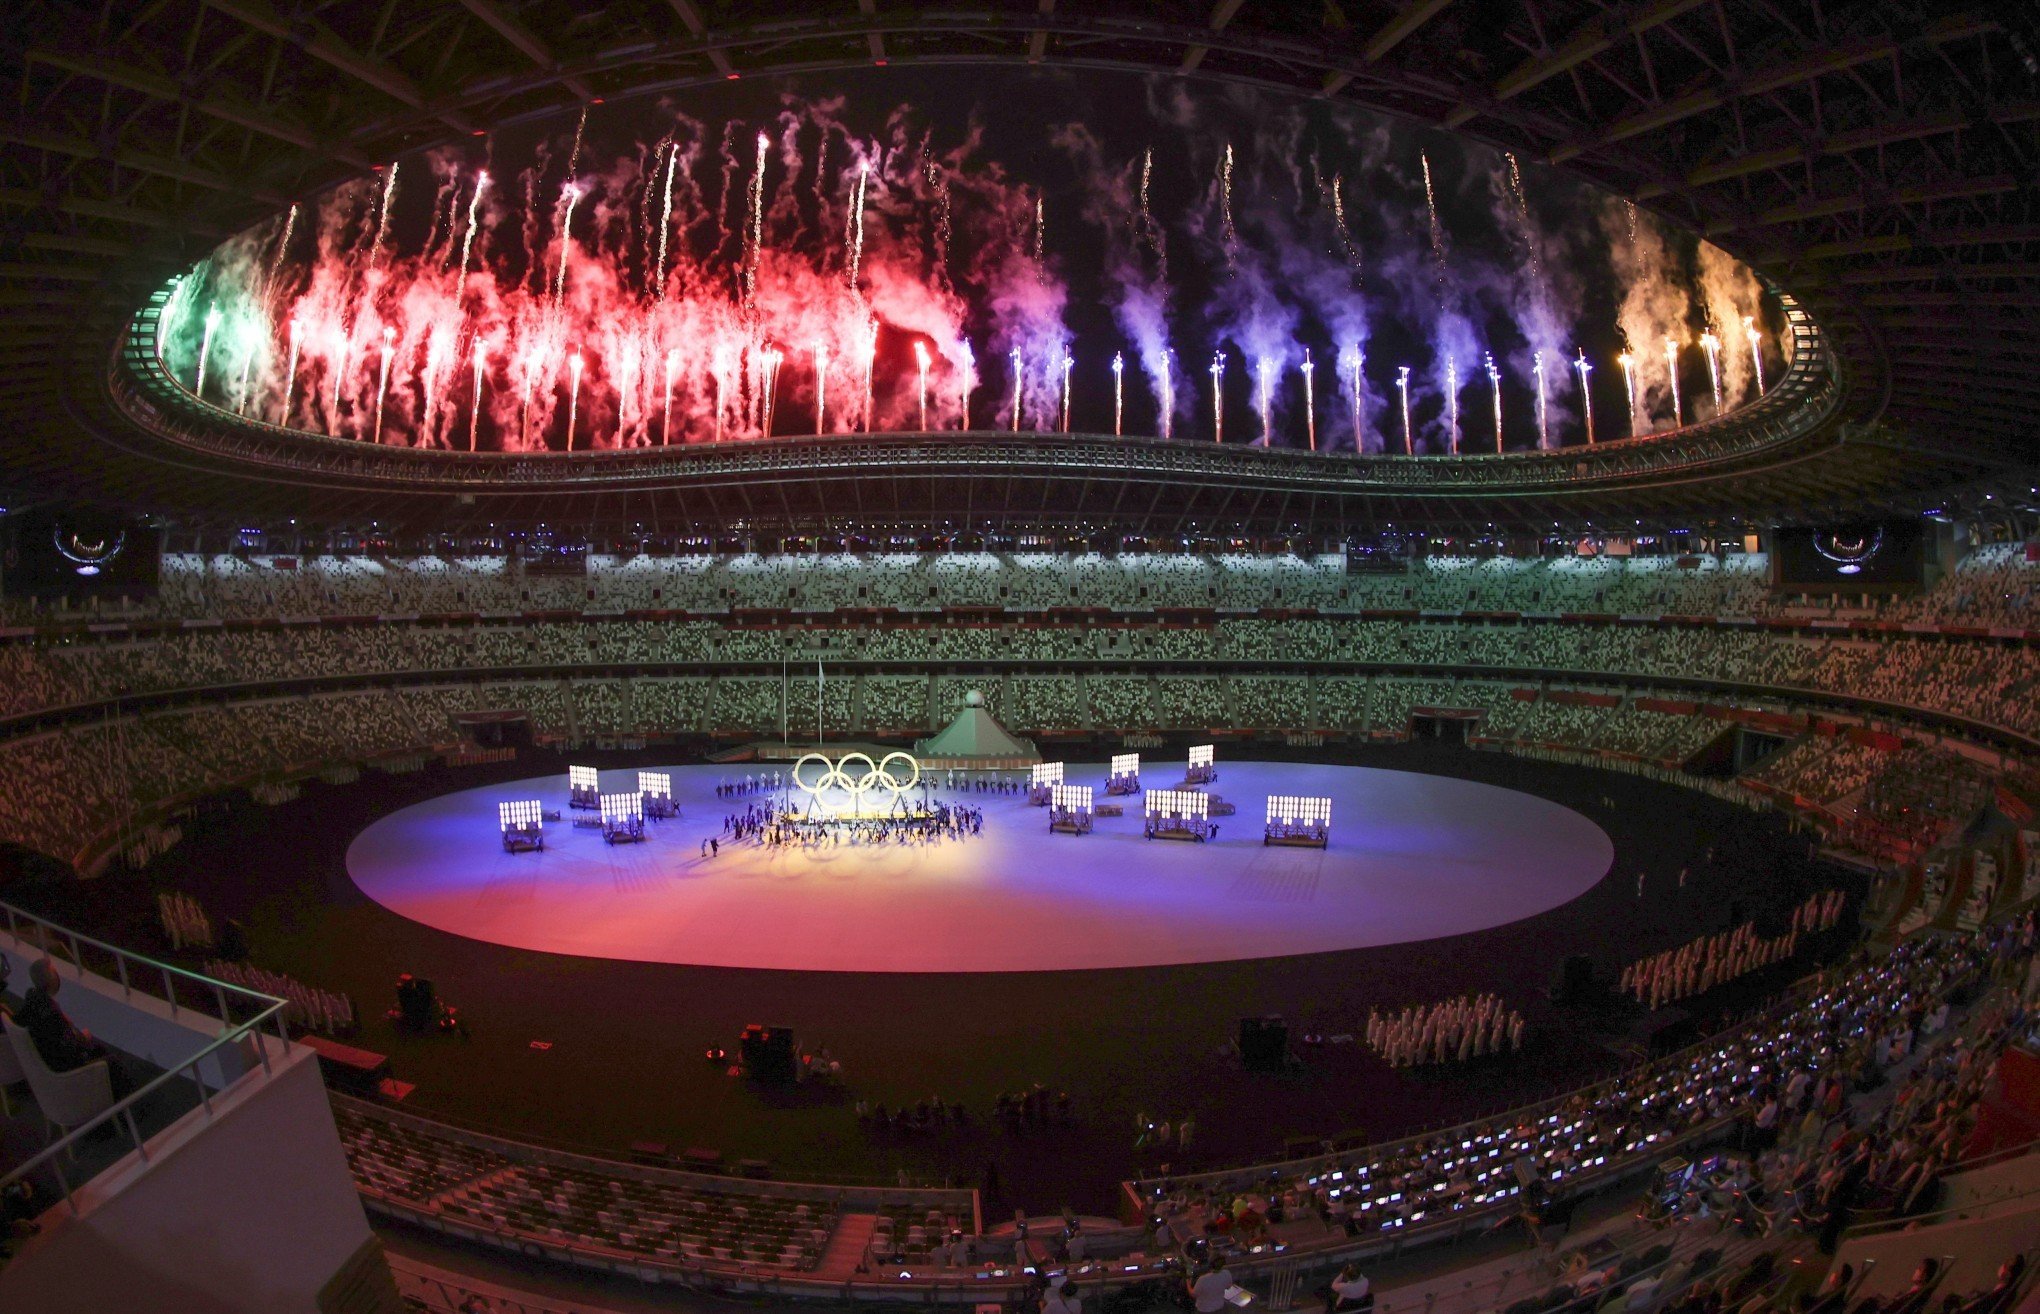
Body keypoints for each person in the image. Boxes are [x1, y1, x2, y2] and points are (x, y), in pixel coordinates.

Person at [14, 958, 104, 1074]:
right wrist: (83, 1037)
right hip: (64, 1069)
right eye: (54, 971)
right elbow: (70, 1048)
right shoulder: (51, 1013)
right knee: (109, 1059)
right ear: (51, 979)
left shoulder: (32, 999)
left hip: (46, 1058)